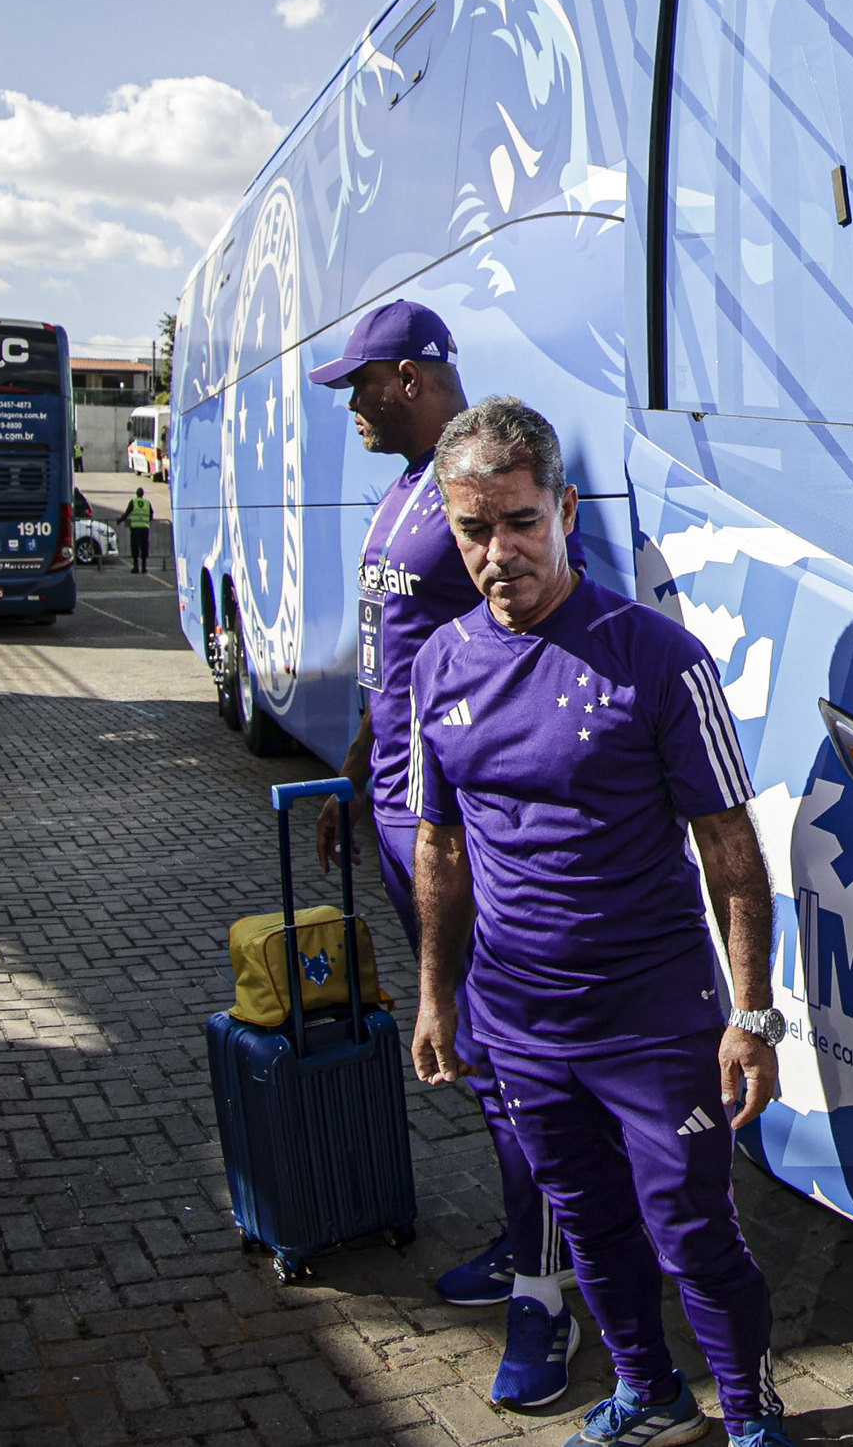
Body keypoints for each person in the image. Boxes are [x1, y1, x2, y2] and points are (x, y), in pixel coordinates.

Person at [410, 397, 791, 1447]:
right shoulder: (437, 666)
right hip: (520, 1023)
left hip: (655, 1021)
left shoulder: (657, 658)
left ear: (563, 510)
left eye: (520, 522)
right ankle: (649, 1394)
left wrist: (750, 1016)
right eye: (473, 531)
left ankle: (752, 1416)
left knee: (691, 1234)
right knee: (588, 1224)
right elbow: (439, 846)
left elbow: (731, 853)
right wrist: (437, 996)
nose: (499, 554)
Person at [306, 306, 574, 1408]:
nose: (350, 407)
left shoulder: (486, 485)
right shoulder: (410, 486)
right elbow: (397, 661)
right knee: (469, 1050)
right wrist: (358, 766)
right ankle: (533, 1250)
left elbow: (543, 640)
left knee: (521, 1068)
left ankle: (550, 1299)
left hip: (466, 829)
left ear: (410, 376)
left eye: (360, 386)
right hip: (397, 809)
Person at [121, 485, 153, 573]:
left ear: (137, 494)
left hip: (135, 528)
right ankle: (144, 568)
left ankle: (136, 567)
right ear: (143, 494)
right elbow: (151, 514)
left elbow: (127, 513)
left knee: (135, 548)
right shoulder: (147, 502)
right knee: (144, 547)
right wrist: (146, 521)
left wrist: (120, 520)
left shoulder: (133, 502)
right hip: (145, 528)